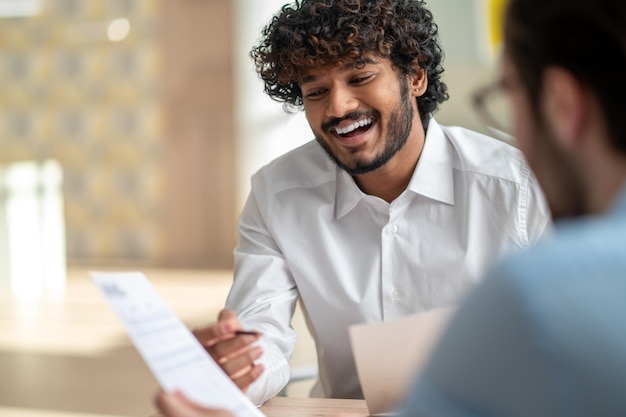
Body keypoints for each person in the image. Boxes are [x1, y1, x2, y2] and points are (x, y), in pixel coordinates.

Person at [155, 0, 626, 415]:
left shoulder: (518, 186)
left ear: (416, 76)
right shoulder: (277, 193)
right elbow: (261, 338)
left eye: (360, 77)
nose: (337, 107)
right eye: (315, 91)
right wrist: (236, 368)